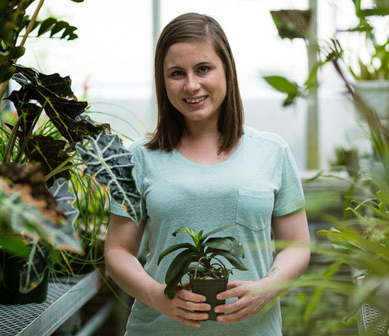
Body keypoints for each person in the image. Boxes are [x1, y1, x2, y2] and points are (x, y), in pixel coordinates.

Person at [105, 12, 310, 335]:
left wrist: (267, 288)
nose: (191, 85)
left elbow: (297, 245)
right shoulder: (138, 158)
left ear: (226, 70)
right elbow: (117, 250)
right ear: (163, 81)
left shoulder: (272, 151)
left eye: (203, 69)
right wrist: (158, 296)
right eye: (176, 73)